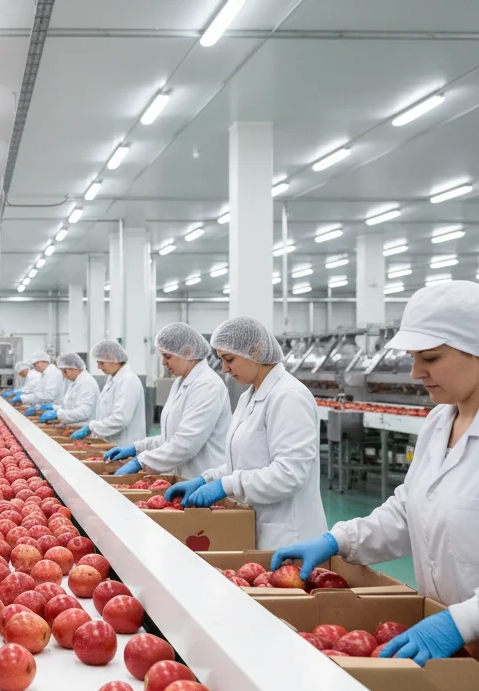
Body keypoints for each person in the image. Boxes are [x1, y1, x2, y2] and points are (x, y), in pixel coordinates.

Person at [272, 281, 479, 665]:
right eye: (413, 358)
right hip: (450, 648)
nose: (415, 372)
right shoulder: (438, 422)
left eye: (431, 358)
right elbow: (407, 512)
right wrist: (338, 540)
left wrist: (465, 621)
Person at [165, 316, 326, 549]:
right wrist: (207, 479)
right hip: (254, 526)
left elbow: (289, 474)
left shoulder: (289, 396)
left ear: (256, 351)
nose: (224, 368)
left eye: (229, 359)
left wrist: (226, 486)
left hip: (287, 535)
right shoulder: (248, 396)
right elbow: (244, 461)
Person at [106, 323, 230, 478]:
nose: (163, 362)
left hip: (201, 477)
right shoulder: (180, 383)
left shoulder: (207, 385)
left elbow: (186, 443)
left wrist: (141, 461)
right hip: (181, 477)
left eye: (168, 357)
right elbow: (169, 438)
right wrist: (137, 448)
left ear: (187, 352)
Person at [70, 339, 146, 446]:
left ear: (114, 359)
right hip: (113, 442)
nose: (98, 367)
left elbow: (120, 419)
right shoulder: (113, 379)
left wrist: (92, 427)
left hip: (125, 444)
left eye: (101, 363)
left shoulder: (128, 380)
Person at [38, 353, 99, 426]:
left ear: (73, 368)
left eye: (64, 371)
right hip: (73, 425)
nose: (64, 375)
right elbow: (69, 406)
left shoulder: (86, 382)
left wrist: (58, 414)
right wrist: (55, 408)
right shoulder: (74, 381)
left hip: (83, 426)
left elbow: (83, 412)